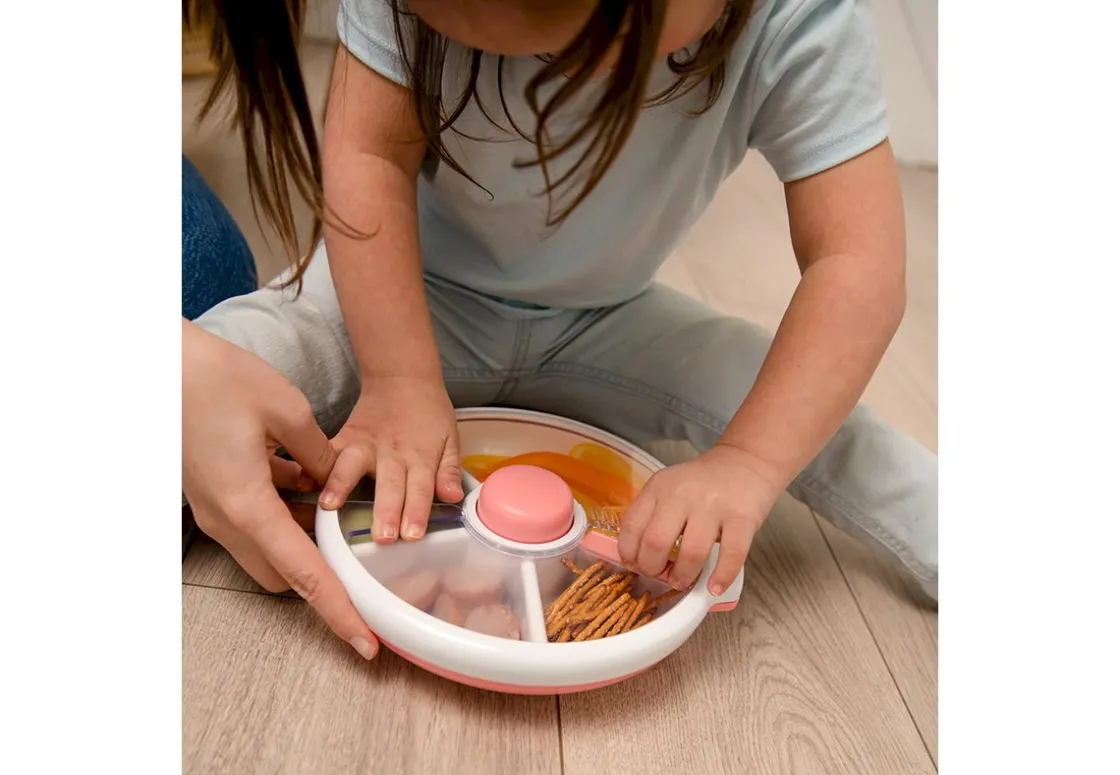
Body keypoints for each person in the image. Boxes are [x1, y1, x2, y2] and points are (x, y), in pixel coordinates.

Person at [182, 0, 938, 662]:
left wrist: (747, 462)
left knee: (806, 411)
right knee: (221, 379)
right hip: (397, 298)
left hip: (609, 322)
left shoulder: (802, 17)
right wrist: (400, 378)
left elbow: (857, 262)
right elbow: (368, 152)